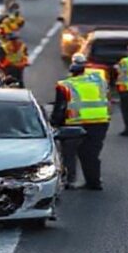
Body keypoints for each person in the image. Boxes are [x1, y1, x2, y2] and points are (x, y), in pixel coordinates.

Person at [50, 54, 110, 191]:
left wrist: (54, 123)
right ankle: (94, 182)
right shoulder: (99, 81)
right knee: (90, 153)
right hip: (100, 122)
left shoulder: (65, 85)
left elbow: (60, 108)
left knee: (69, 152)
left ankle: (69, 181)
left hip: (74, 124)